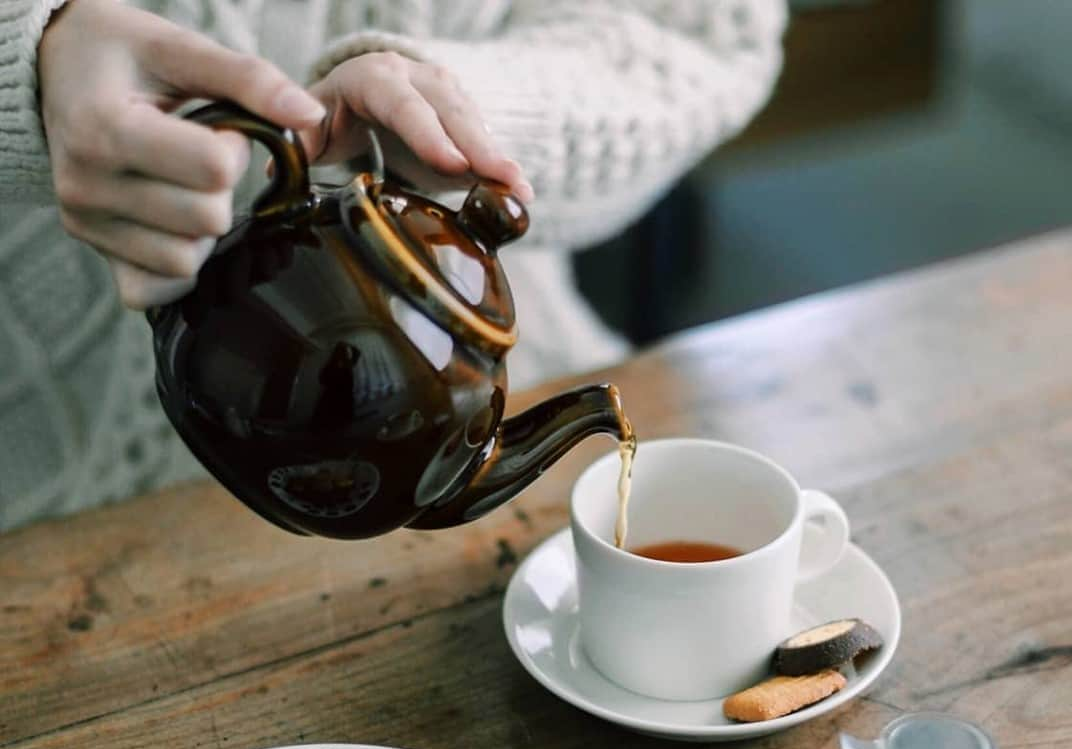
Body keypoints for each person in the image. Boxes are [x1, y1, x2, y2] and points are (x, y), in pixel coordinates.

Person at [0, 0, 786, 530]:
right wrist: (32, 65)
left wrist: (461, 114)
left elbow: (700, 34)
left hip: (501, 487)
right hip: (39, 495)